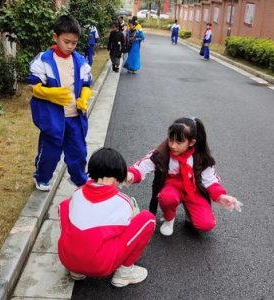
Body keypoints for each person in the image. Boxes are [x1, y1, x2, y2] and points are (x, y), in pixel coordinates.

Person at [126, 117, 242, 236]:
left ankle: (190, 212)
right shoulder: (163, 152)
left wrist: (220, 196)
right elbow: (144, 165)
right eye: (171, 140)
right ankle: (169, 219)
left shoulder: (201, 157)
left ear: (191, 142)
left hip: (193, 190)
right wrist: (130, 174)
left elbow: (210, 180)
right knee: (167, 197)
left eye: (179, 142)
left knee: (206, 225)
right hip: (172, 187)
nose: (173, 145)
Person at [58, 148, 156, 287]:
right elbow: (128, 227)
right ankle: (125, 272)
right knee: (147, 218)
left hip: (67, 259)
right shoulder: (122, 200)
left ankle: (76, 270)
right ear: (118, 176)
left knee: (65, 205)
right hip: (101, 266)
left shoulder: (77, 193)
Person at [27, 15, 93, 191]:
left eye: (74, 43)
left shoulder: (80, 61)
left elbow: (87, 83)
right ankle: (42, 177)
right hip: (53, 118)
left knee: (79, 151)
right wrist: (50, 94)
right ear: (55, 37)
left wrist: (84, 98)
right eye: (66, 41)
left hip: (74, 117)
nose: (70, 46)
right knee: (50, 151)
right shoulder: (44, 60)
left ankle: (79, 179)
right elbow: (33, 86)